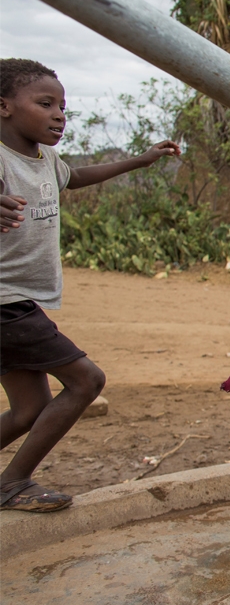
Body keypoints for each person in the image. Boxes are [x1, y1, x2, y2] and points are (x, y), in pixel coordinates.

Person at [0, 58, 179, 512]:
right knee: (86, 381)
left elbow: (76, 178)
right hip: (5, 305)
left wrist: (143, 158)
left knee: (28, 409)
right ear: (3, 106)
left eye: (63, 106)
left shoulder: (46, 159)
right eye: (46, 103)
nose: (60, 114)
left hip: (19, 303)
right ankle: (13, 482)